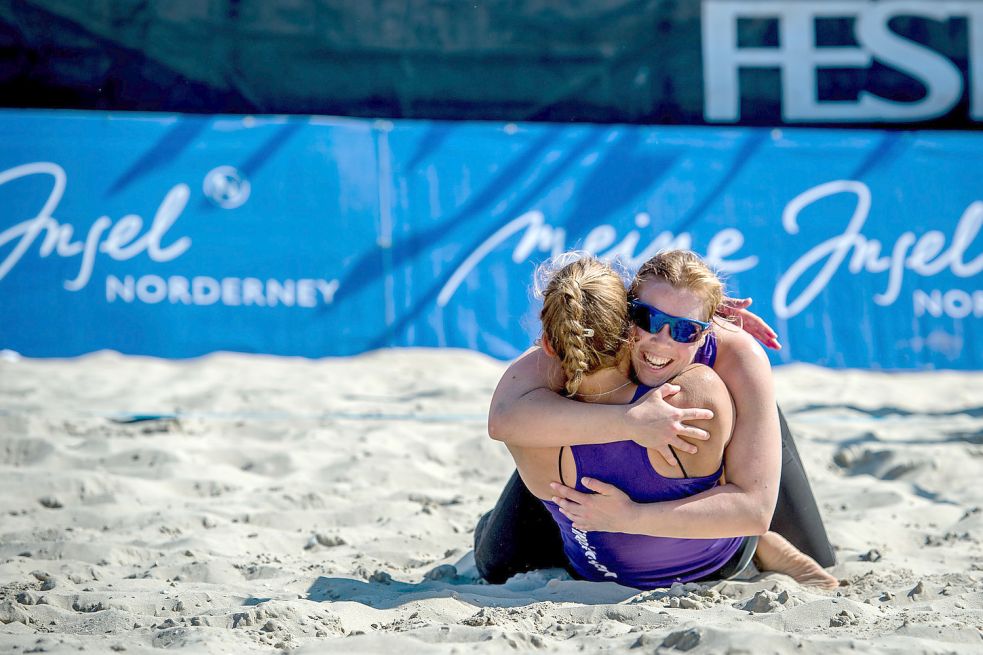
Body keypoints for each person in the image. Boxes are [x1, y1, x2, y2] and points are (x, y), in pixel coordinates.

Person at [476, 250, 837, 588]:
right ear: (624, 312)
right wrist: (629, 421)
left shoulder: (730, 354)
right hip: (594, 439)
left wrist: (630, 518)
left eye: (685, 329)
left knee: (815, 551)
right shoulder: (591, 338)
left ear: (706, 329)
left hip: (704, 451)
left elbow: (754, 507)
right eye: (649, 318)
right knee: (498, 563)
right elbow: (505, 418)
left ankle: (758, 544)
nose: (662, 341)